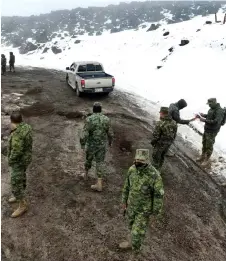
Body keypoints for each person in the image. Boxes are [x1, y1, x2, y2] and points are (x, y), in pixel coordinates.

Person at [120, 149, 164, 253]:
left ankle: (135, 253)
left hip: (144, 211)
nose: (138, 163)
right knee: (130, 226)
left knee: (137, 233)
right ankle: (131, 243)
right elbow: (127, 186)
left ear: (147, 161)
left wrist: (155, 213)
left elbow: (158, 196)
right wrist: (124, 201)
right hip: (131, 206)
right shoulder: (132, 170)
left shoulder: (154, 175)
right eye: (137, 160)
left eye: (141, 161)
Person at [80, 102, 113, 191]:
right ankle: (99, 184)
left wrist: (82, 144)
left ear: (93, 109)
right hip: (101, 146)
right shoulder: (106, 119)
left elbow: (84, 134)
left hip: (91, 145)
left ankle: (86, 175)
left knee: (88, 159)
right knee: (100, 162)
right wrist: (110, 142)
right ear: (101, 109)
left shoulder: (89, 119)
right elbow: (110, 133)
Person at [8, 111, 33, 218]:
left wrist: (10, 160)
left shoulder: (17, 133)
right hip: (26, 159)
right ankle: (17, 195)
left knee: (15, 181)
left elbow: (16, 151)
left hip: (18, 161)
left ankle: (22, 205)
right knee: (21, 176)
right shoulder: (27, 127)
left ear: (12, 121)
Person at [196, 98, 224, 167]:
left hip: (212, 131)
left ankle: (207, 160)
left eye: (210, 104)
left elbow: (216, 122)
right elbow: (210, 116)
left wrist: (204, 120)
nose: (209, 105)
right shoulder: (212, 108)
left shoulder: (219, 111)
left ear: (214, 102)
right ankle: (202, 156)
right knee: (204, 143)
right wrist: (203, 115)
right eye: (208, 104)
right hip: (207, 129)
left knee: (209, 145)